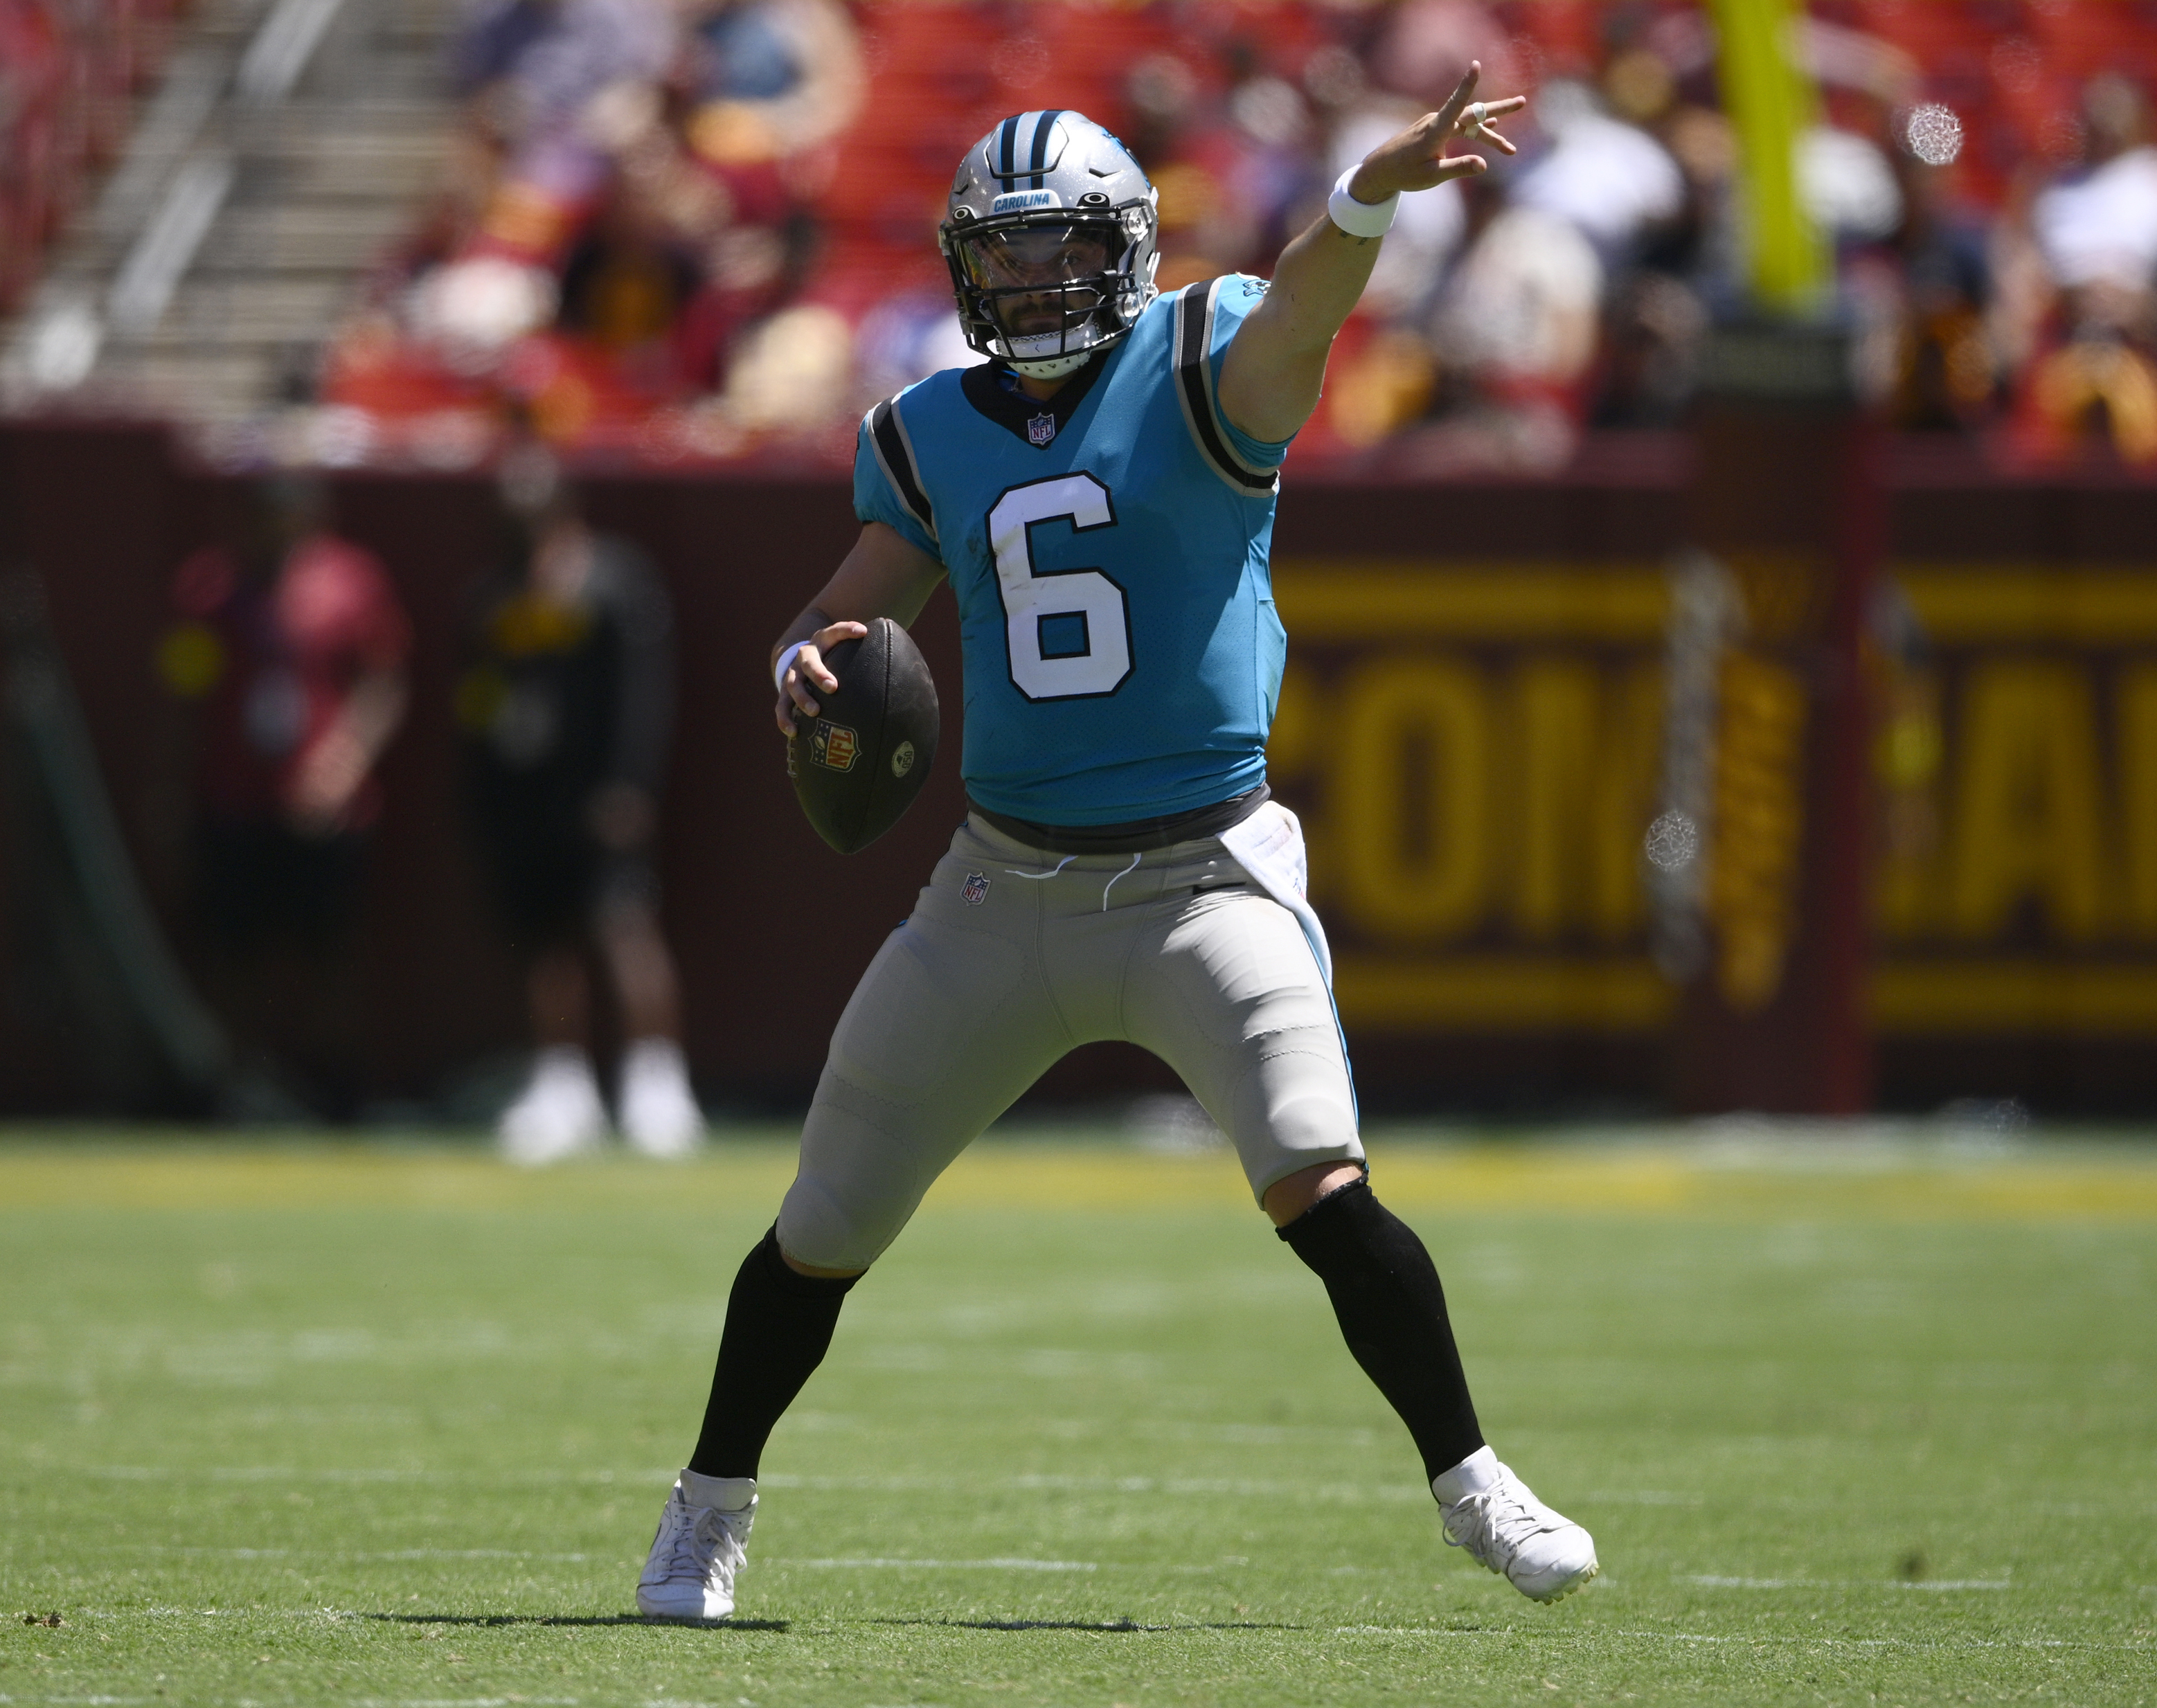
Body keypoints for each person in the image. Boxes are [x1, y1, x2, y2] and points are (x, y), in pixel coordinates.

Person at [634, 70, 1598, 1622]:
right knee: (820, 1226)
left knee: (1317, 1180)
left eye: (1054, 247)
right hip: (997, 885)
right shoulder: (928, 428)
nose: (1025, 280)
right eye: (1000, 253)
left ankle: (1472, 1480)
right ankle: (704, 1510)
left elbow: (1303, 309)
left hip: (1201, 876)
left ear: (1128, 247)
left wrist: (1364, 196)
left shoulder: (1208, 357)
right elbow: (837, 613)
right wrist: (796, 663)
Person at [460, 443, 705, 1161]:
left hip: (600, 793)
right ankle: (562, 1087)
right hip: (525, 794)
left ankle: (657, 1087)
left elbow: (643, 689)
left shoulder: (615, 582)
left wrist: (630, 781)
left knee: (624, 928)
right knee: (546, 943)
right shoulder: (494, 597)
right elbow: (479, 699)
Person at [163, 476, 411, 1108]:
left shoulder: (348, 580)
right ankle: (237, 1087)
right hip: (234, 797)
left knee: (329, 953)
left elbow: (385, 680)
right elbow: (183, 690)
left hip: (324, 809)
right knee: (234, 952)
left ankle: (335, 1091)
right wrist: (169, 783)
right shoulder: (208, 587)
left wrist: (344, 761)